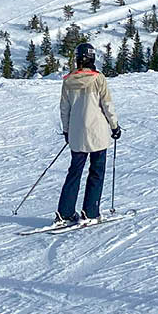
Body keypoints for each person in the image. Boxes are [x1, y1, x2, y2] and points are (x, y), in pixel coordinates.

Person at [55, 42, 120, 226]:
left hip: (76, 133)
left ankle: (65, 212)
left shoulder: (68, 81)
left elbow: (64, 109)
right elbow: (107, 105)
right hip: (97, 133)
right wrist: (114, 126)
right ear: (92, 58)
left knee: (74, 172)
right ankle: (90, 211)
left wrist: (66, 130)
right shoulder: (98, 79)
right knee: (97, 171)